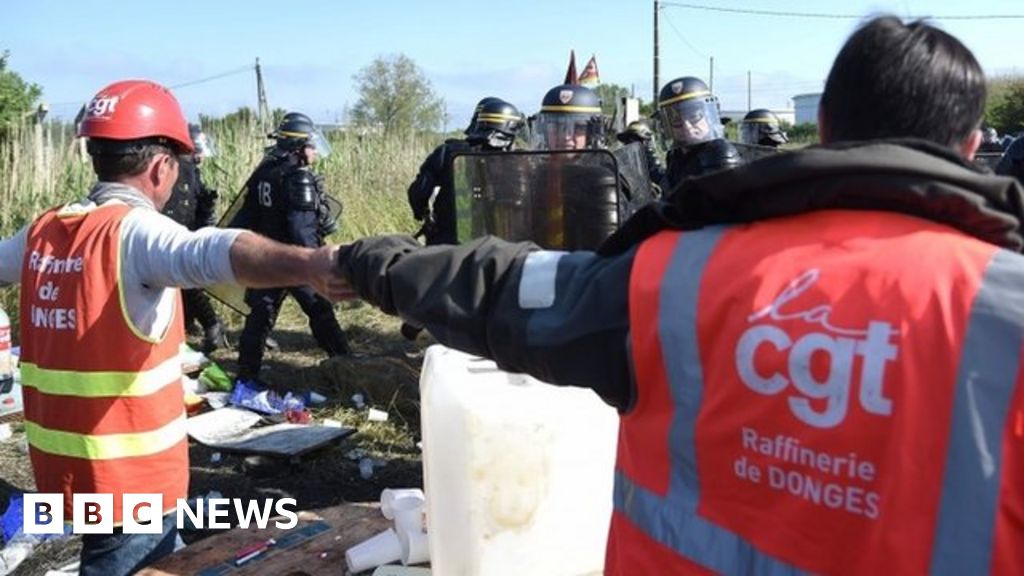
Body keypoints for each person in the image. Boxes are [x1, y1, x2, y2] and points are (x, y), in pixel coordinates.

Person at [333, 16, 1024, 574]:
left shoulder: (675, 272)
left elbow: (512, 289)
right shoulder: (1007, 313)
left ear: (824, 128)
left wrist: (359, 262)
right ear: (970, 146)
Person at [0, 80, 346, 575]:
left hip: (65, 469)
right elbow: (212, 251)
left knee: (173, 557)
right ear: (162, 167)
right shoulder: (136, 233)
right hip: (132, 480)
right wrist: (311, 261)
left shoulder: (43, 232)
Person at [229, 112, 350, 383]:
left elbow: (246, 216)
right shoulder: (298, 177)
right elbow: (301, 228)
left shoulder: (264, 170)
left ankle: (246, 376)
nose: (315, 151)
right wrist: (315, 259)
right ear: (299, 146)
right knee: (319, 309)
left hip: (264, 259)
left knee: (259, 317)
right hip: (295, 260)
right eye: (311, 145)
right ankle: (344, 361)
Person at [407, 97, 524, 246]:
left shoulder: (446, 153)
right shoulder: (519, 162)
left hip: (447, 246)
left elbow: (418, 194)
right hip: (500, 247)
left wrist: (424, 215)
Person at [161, 123, 227, 353]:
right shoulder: (178, 167)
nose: (199, 156)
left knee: (183, 281)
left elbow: (194, 200)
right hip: (173, 231)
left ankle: (200, 323)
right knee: (184, 280)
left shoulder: (185, 168)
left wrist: (206, 201)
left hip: (182, 230)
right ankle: (209, 323)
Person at [657, 76, 742, 188]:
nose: (687, 127)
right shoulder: (676, 153)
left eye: (694, 117)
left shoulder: (719, 153)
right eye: (677, 122)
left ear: (708, 117)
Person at [531, 84, 604, 151]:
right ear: (545, 132)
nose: (566, 137)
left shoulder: (604, 165)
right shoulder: (533, 164)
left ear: (590, 134)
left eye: (578, 127)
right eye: (557, 126)